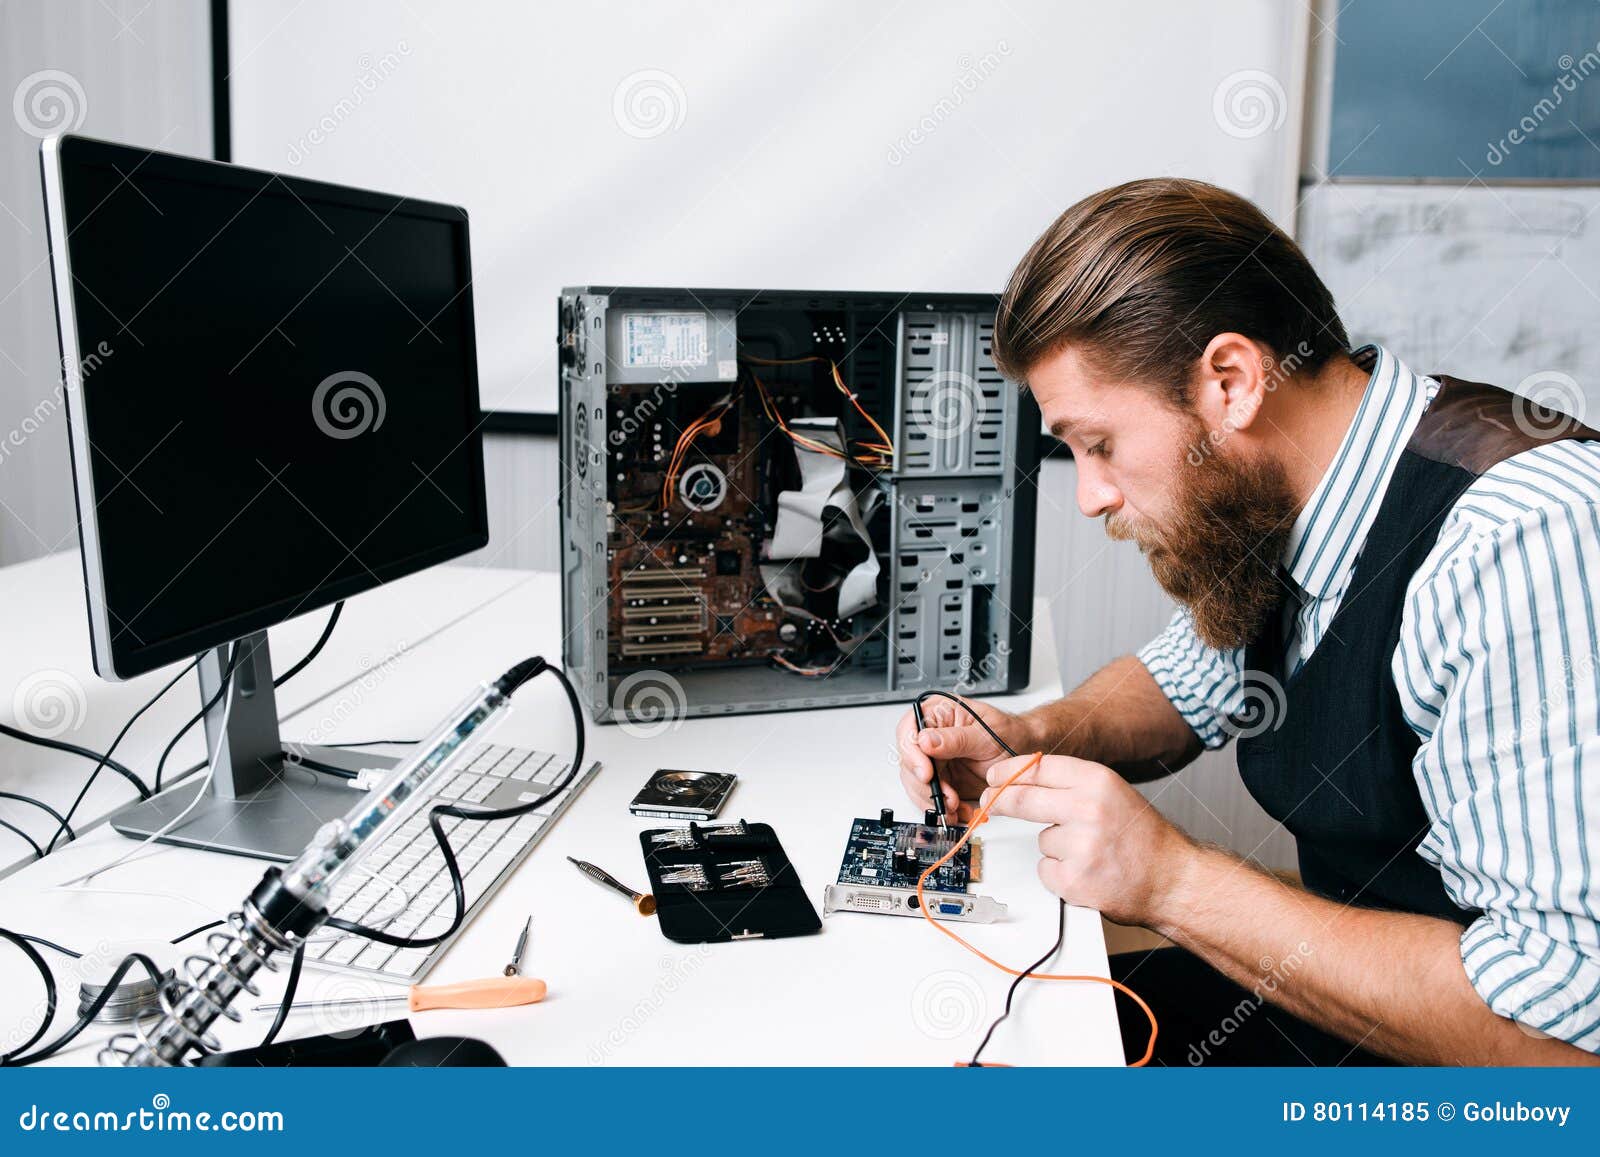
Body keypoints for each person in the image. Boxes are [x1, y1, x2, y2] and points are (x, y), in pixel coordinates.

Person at [897, 178, 1600, 1065]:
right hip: (1346, 1012)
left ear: (1230, 381)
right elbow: (1183, 686)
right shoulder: (1292, 494)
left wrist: (1173, 881)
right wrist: (1030, 732)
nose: (1089, 497)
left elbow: (1567, 1044)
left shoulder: (1521, 542)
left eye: (1100, 444)